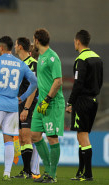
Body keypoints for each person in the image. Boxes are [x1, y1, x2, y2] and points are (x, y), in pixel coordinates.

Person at [0, 36, 37, 180]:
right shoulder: (20, 64)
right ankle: (7, 174)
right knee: (9, 138)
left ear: (0, 47)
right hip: (12, 106)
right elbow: (34, 82)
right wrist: (22, 98)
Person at [66, 30, 103, 181]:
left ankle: (88, 174)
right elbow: (100, 82)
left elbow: (78, 83)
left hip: (82, 101)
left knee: (82, 137)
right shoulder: (97, 58)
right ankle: (80, 172)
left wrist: (70, 102)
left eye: (75, 41)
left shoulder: (81, 59)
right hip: (93, 100)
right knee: (83, 136)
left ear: (78, 42)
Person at [31, 28, 65, 183]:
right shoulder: (41, 56)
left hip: (51, 103)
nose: (32, 42)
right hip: (41, 102)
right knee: (35, 135)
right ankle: (47, 170)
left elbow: (58, 81)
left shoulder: (53, 57)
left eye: (33, 40)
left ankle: (52, 174)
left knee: (52, 138)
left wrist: (47, 100)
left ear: (37, 40)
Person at [14, 37, 40, 179]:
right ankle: (26, 171)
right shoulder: (18, 64)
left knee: (26, 137)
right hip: (18, 105)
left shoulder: (33, 64)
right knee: (22, 139)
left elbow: (34, 88)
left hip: (28, 106)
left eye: (16, 44)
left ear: (20, 47)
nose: (14, 46)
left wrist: (27, 108)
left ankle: (28, 171)